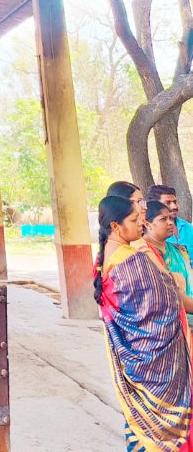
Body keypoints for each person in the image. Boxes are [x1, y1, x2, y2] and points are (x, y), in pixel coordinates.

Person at [94, 193, 192, 451]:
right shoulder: (130, 260)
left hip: (133, 356)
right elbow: (164, 301)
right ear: (115, 226)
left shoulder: (107, 257)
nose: (141, 222)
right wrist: (175, 283)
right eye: (134, 219)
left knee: (138, 418)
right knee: (159, 427)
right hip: (155, 358)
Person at [144, 199, 193, 322]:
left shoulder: (178, 250)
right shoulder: (145, 252)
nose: (170, 223)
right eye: (163, 219)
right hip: (168, 321)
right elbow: (170, 294)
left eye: (170, 218)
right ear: (148, 225)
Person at [148, 184, 193, 264]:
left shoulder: (188, 228)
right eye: (168, 203)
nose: (174, 206)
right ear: (156, 205)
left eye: (175, 202)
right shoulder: (151, 236)